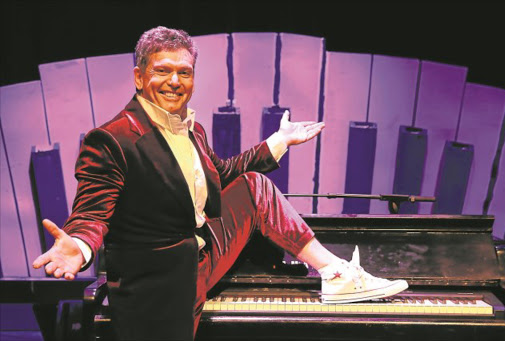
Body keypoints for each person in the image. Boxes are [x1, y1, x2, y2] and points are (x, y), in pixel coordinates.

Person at [33, 26, 408, 340]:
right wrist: (80, 246)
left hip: (201, 256)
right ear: (139, 76)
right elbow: (92, 213)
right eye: (163, 70)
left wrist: (278, 142)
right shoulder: (112, 139)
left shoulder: (193, 129)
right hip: (160, 283)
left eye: (185, 72)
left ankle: (334, 272)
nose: (175, 81)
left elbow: (222, 175)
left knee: (253, 185)